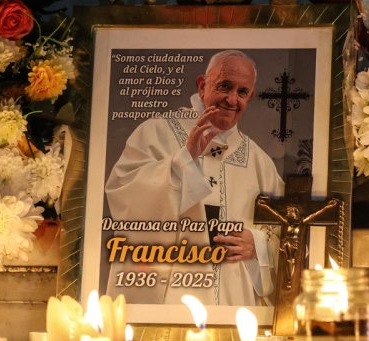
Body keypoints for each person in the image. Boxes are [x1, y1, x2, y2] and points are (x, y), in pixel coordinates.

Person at [105, 50, 283, 306]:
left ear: (250, 97)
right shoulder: (156, 132)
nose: (232, 99)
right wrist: (183, 162)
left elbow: (286, 230)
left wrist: (258, 246)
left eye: (242, 92)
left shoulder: (258, 161)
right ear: (202, 86)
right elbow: (123, 194)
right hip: (169, 294)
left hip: (234, 298)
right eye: (224, 86)